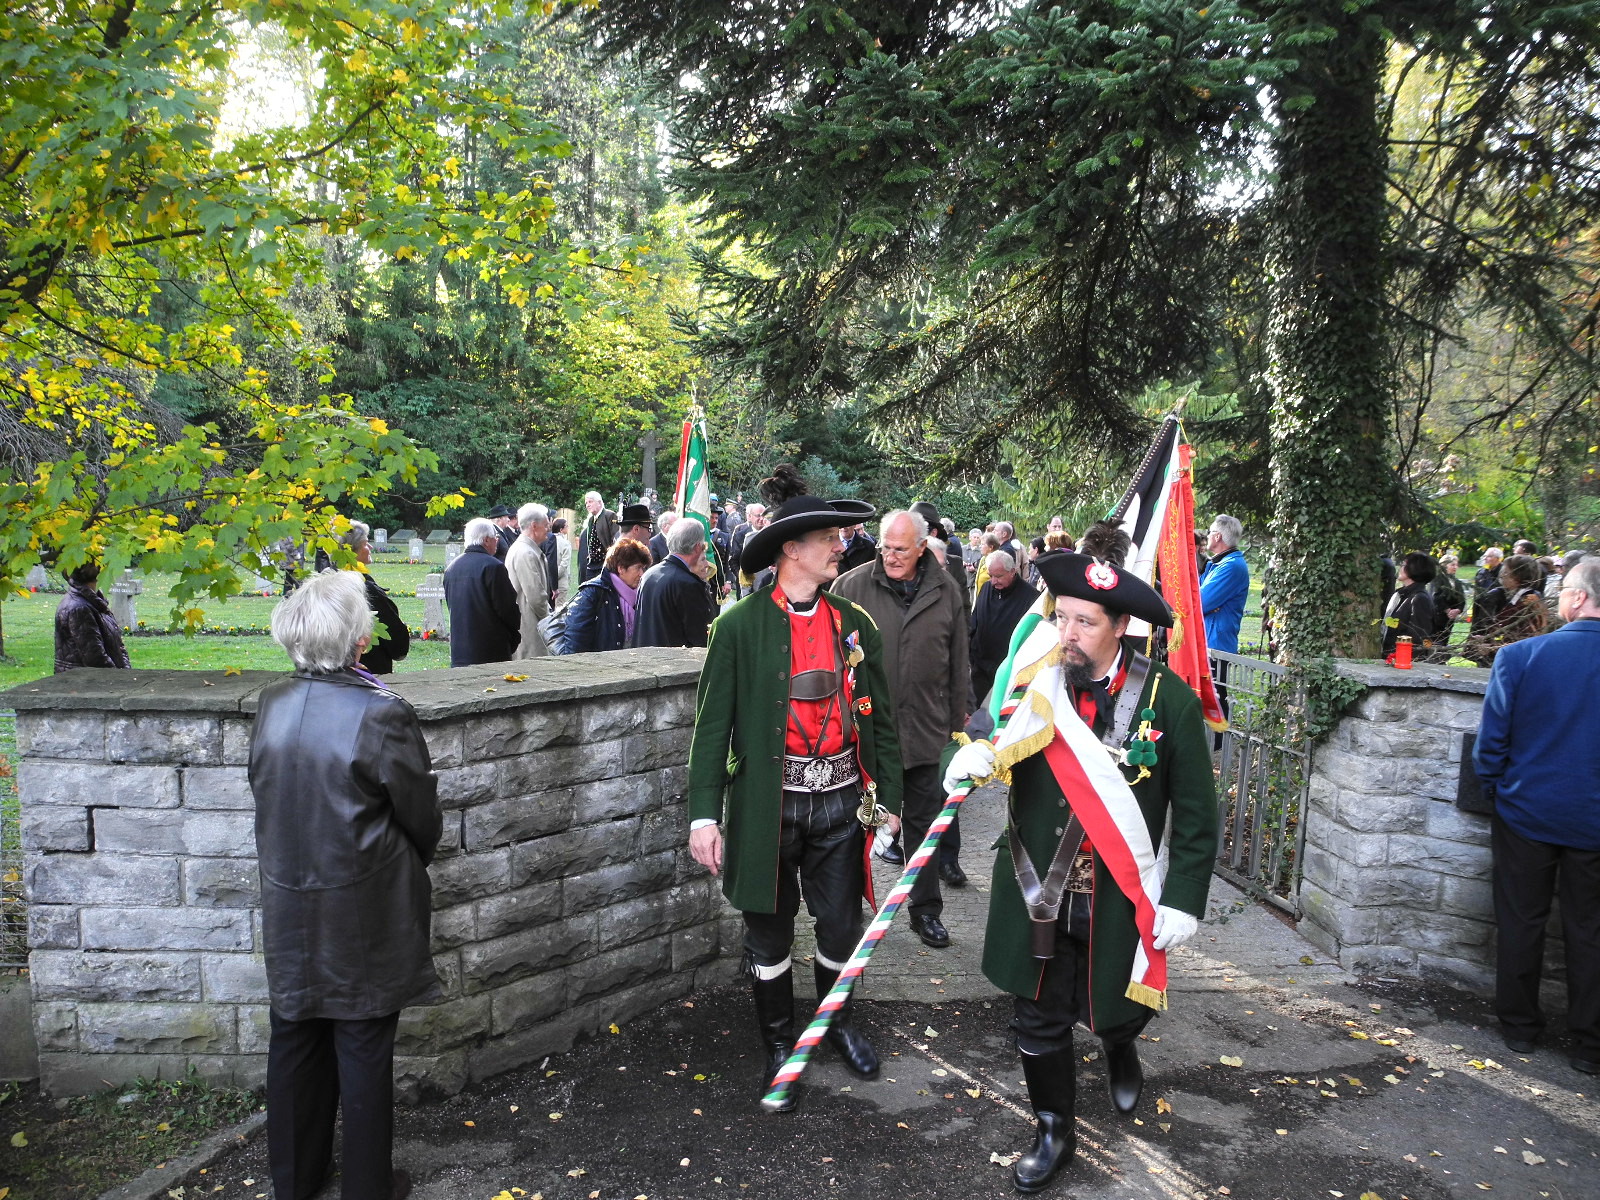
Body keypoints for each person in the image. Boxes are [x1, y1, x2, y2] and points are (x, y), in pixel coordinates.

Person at [942, 551, 1217, 1193]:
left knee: (1117, 1005)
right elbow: (988, 730)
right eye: (1061, 617)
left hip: (1118, 894)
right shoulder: (1035, 681)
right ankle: (1053, 1128)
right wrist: (971, 758)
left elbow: (1197, 815)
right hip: (1036, 885)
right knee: (1037, 1014)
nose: (1067, 633)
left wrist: (1183, 898)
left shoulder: (1168, 701)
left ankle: (1120, 1045)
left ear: (1121, 627)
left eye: (1085, 622)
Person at [686, 463, 903, 1111]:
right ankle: (779, 1042)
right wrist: (703, 816)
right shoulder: (737, 627)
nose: (841, 546)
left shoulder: (854, 622)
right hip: (766, 807)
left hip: (842, 804)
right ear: (792, 549)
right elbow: (712, 728)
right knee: (769, 934)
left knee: (840, 927)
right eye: (829, 539)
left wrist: (890, 801)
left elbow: (881, 722)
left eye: (840, 537)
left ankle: (834, 1024)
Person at [249, 570, 441, 1200]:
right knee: (361, 1041)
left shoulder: (271, 703)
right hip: (364, 902)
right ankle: (366, 1187)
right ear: (359, 640)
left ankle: (294, 1183)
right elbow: (420, 816)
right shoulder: (381, 712)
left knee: (295, 1034)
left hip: (288, 895)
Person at [1473, 555, 1600, 1077]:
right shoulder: (1521, 655)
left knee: (1521, 919)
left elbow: (1492, 742)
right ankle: (1590, 1043)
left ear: (1578, 598)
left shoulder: (1521, 656)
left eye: (1563, 590)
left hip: (1527, 809)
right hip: (1590, 818)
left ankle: (1520, 1026)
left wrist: (1495, 790)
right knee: (1590, 929)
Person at [833, 509, 969, 948]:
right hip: (866, 735)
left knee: (924, 827)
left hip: (924, 731)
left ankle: (925, 911)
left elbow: (958, 661)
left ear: (922, 547)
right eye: (885, 547)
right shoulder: (851, 587)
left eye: (900, 550)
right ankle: (846, 906)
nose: (890, 556)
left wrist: (957, 727)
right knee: (855, 824)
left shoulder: (945, 590)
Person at [442, 518, 520, 666]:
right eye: (495, 537)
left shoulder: (452, 568)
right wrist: (514, 637)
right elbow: (507, 609)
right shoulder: (493, 567)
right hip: (491, 649)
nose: (497, 541)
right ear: (486, 540)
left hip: (460, 650)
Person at [337, 522, 409, 675]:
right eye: (365, 543)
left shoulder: (326, 584)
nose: (370, 547)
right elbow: (398, 645)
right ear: (351, 551)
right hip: (368, 673)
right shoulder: (367, 591)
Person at [969, 550, 1039, 708]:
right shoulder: (986, 588)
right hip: (980, 668)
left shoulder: (1031, 597)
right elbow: (975, 621)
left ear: (1012, 571)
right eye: (991, 576)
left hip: (1008, 674)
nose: (993, 581)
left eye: (999, 576)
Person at [635, 518, 717, 648]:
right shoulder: (688, 584)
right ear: (697, 547)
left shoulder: (649, 575)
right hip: (675, 659)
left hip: (645, 656)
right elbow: (701, 638)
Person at [561, 538, 652, 653]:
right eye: (638, 568)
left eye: (643, 568)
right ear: (621, 568)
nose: (642, 574)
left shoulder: (640, 594)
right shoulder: (593, 593)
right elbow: (575, 641)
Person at [1464, 553, 1550, 665]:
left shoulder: (1527, 603)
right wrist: (1485, 639)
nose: (1502, 575)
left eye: (1506, 572)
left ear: (1517, 577)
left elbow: (1524, 641)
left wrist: (1491, 648)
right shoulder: (1519, 598)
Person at [54, 562, 131, 672]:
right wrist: (120, 677)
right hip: (85, 680)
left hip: (107, 678)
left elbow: (118, 646)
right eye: (87, 562)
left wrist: (127, 672)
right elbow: (96, 658)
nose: (95, 563)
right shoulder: (79, 608)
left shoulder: (96, 603)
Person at [504, 503, 552, 660]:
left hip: (529, 623)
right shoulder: (525, 553)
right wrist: (550, 621)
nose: (548, 529)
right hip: (529, 626)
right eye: (546, 525)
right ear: (534, 526)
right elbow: (536, 597)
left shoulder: (525, 549)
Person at [1199, 514, 1248, 655]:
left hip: (1216, 647)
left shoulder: (1231, 566)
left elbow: (1200, 602)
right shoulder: (1218, 564)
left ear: (1217, 536)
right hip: (1209, 642)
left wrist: (1205, 605)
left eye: (1210, 532)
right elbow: (1194, 593)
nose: (1207, 536)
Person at [1381, 552, 1436, 658]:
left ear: (1415, 569)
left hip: (1402, 662)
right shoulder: (1402, 594)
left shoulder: (1420, 599)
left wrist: (1400, 660)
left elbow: (1419, 639)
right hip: (1391, 658)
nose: (1400, 568)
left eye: (1403, 565)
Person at [577, 491, 619, 583]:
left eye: (590, 502)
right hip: (592, 564)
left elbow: (616, 538)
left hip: (604, 563)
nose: (587, 505)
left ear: (599, 502)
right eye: (586, 503)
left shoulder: (610, 515)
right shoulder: (591, 520)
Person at [1429, 552, 1467, 645]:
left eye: (1456, 565)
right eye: (1452, 565)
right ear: (1444, 565)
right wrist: (1447, 610)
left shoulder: (1457, 582)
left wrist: (1457, 610)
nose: (1455, 567)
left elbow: (1462, 599)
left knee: (1444, 641)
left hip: (1449, 619)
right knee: (1433, 642)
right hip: (1436, 618)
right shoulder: (1436, 579)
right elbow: (1436, 597)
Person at [549, 517, 574, 606]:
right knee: (560, 607)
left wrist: (551, 578)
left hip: (548, 580)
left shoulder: (547, 540)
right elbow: (564, 564)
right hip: (561, 581)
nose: (568, 528)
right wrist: (555, 577)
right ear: (561, 529)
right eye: (566, 526)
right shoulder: (565, 543)